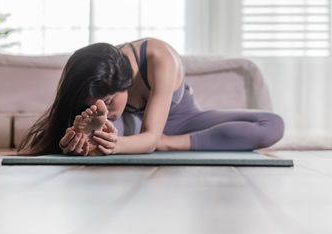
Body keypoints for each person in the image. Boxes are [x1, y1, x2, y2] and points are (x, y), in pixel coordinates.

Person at [17, 38, 285, 156]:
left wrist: (152, 142)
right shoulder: (96, 68)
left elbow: (148, 136)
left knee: (272, 125)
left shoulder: (158, 57)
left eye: (109, 101)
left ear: (125, 83)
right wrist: (75, 140)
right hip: (127, 129)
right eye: (95, 105)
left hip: (182, 122)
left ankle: (161, 143)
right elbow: (111, 118)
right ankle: (89, 140)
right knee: (105, 131)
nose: (106, 108)